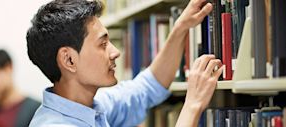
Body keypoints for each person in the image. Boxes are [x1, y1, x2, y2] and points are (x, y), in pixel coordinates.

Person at [26, 0, 223, 126]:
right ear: (69, 59)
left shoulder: (92, 108)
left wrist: (181, 27)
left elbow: (148, 87)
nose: (115, 52)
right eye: (102, 44)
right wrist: (193, 105)